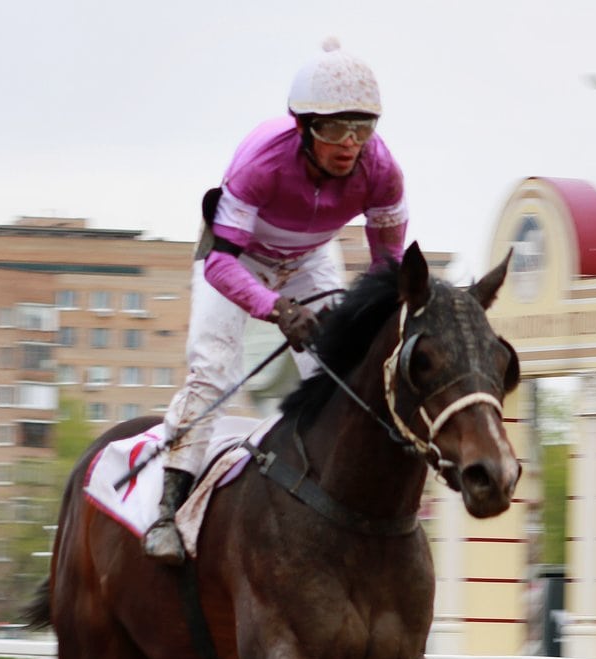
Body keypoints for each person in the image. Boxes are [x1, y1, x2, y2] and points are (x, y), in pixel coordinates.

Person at [142, 38, 408, 564]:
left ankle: (333, 498)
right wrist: (280, 310)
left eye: (363, 129)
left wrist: (351, 323)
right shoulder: (261, 161)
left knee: (334, 371)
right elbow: (220, 265)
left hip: (311, 258)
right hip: (235, 259)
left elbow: (387, 272)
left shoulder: (384, 171)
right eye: (335, 129)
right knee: (212, 369)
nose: (349, 144)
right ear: (304, 126)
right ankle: (166, 511)